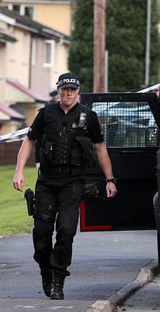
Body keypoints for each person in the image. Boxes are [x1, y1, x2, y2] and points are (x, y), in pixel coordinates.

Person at [12, 72, 117, 300]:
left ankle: (58, 279)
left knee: (66, 231)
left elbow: (100, 148)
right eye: (65, 89)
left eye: (72, 89)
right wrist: (19, 171)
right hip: (47, 182)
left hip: (72, 181)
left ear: (78, 91)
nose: (68, 93)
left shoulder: (88, 117)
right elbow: (28, 141)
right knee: (41, 233)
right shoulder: (46, 114)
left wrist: (110, 179)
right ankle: (45, 270)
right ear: (58, 90)